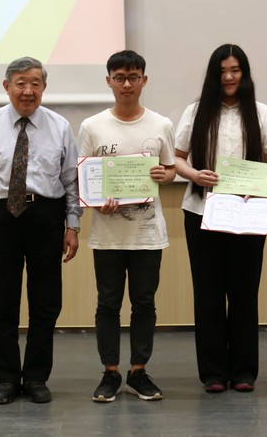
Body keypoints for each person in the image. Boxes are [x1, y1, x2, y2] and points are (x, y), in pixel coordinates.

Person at [0, 56, 83, 404]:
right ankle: (6, 378)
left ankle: (36, 377)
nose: (28, 91)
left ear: (44, 87)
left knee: (46, 303)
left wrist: (73, 224)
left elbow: (72, 181)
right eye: (20, 83)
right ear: (7, 86)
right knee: (3, 304)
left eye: (35, 83)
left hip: (46, 215)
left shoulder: (59, 126)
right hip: (1, 217)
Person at [174, 44, 267, 393]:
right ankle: (213, 373)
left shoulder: (262, 112)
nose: (229, 77)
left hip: (248, 213)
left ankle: (244, 372)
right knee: (207, 293)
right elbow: (176, 158)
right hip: (201, 211)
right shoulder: (196, 111)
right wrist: (195, 175)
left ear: (244, 73)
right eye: (222, 71)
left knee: (244, 292)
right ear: (213, 75)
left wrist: (258, 183)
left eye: (235, 70)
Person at [77, 50, 176, 403]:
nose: (126, 84)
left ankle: (138, 371)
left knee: (144, 303)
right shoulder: (92, 126)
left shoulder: (161, 124)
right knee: (107, 304)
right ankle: (110, 372)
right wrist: (95, 201)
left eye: (133, 77)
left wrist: (164, 175)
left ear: (144, 80)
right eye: (119, 78)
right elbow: (84, 178)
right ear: (109, 81)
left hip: (148, 235)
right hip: (107, 235)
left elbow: (171, 169)